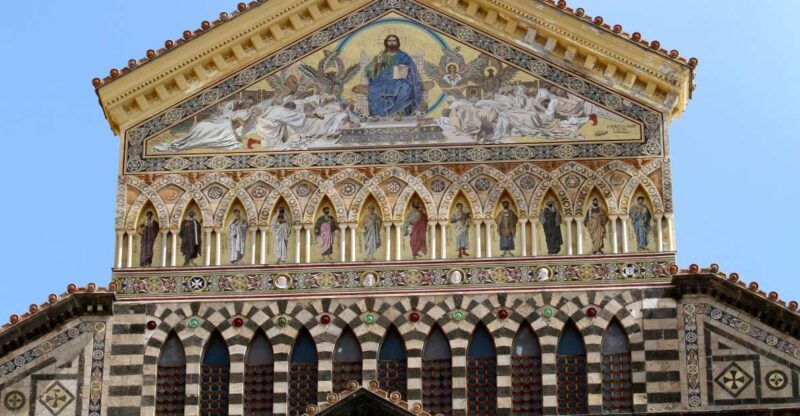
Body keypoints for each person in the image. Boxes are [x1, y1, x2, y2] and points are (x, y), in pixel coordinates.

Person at [155, 100, 252, 152]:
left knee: (212, 126)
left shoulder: (245, 114)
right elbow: (225, 114)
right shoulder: (231, 108)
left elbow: (241, 125)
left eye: (248, 105)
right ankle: (186, 140)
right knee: (202, 125)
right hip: (220, 123)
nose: (246, 106)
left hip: (225, 127)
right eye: (246, 104)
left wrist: (234, 123)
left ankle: (191, 140)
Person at [365, 35, 423, 118]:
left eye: (394, 40)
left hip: (398, 80)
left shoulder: (403, 56)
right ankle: (378, 115)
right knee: (373, 89)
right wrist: (377, 63)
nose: (392, 42)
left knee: (406, 87)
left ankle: (399, 112)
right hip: (382, 80)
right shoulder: (380, 56)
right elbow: (369, 72)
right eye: (389, 40)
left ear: (397, 42)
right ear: (386, 42)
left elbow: (411, 69)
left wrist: (404, 69)